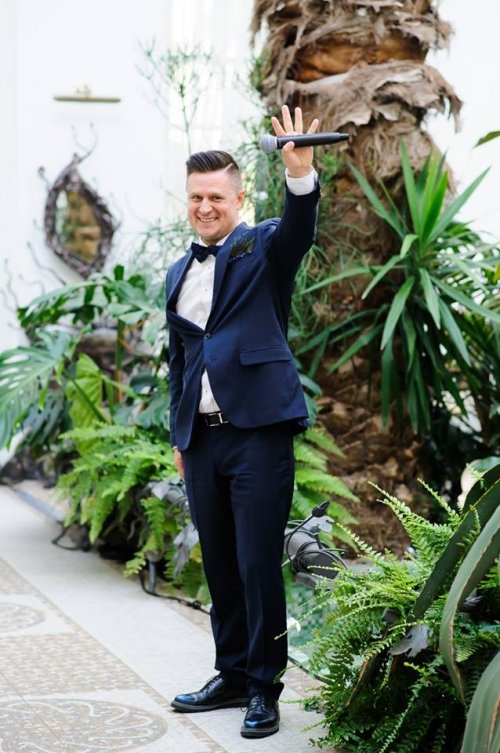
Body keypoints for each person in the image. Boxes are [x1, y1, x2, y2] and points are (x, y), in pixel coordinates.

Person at [166, 105, 320, 739]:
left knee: (258, 564)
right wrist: (179, 436)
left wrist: (299, 172)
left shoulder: (262, 248)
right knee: (222, 565)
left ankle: (263, 687)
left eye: (216, 197)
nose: (205, 206)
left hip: (257, 433)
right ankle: (230, 674)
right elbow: (180, 360)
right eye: (196, 197)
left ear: (238, 199)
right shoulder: (178, 272)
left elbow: (299, 231)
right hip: (202, 441)